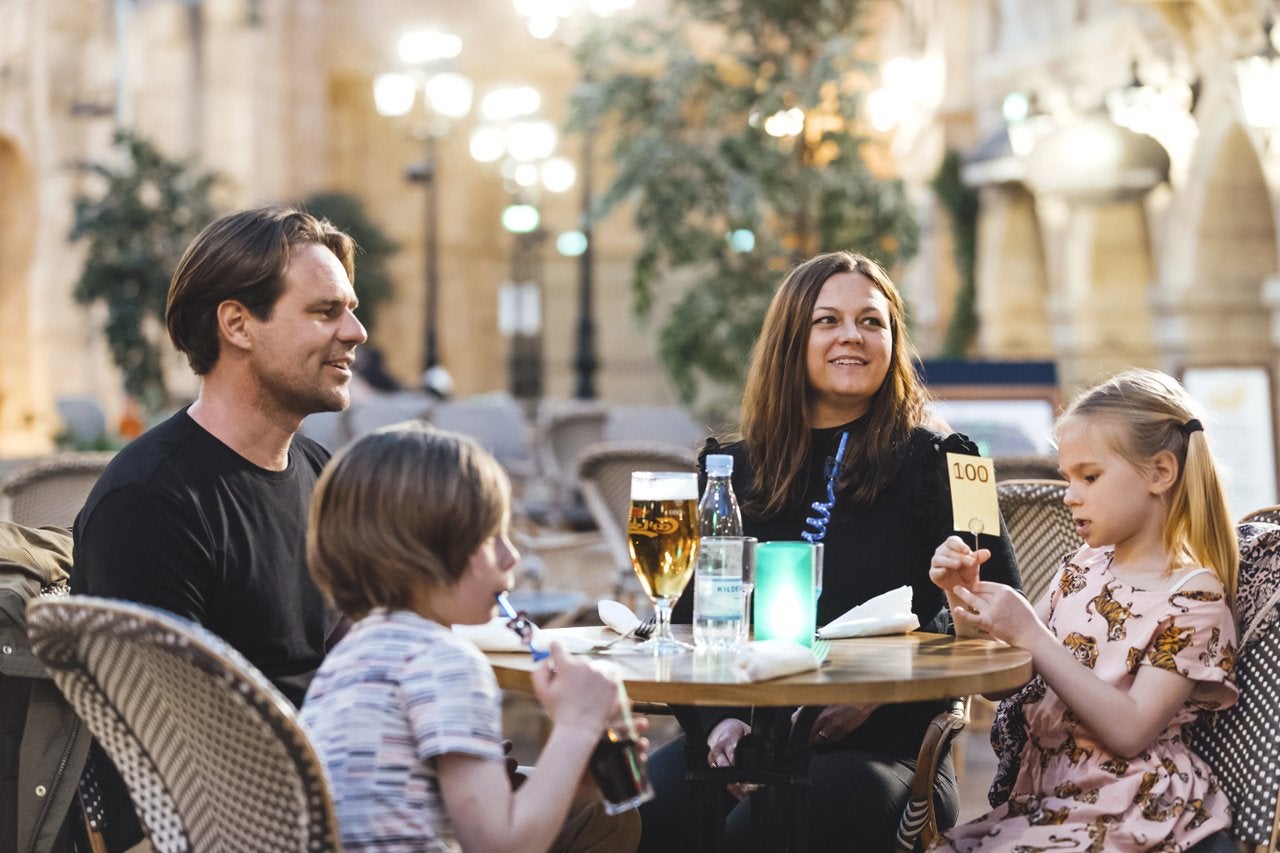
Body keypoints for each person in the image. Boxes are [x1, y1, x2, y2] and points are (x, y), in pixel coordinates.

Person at [640, 251, 1023, 851]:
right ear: (791, 338)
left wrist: (873, 692)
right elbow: (691, 620)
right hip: (749, 730)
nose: (853, 336)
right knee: (646, 806)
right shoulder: (729, 472)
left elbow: (1005, 624)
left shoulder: (952, 463)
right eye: (828, 321)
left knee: (766, 828)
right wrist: (722, 721)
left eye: (872, 322)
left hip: (891, 753)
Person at [72, 205, 367, 849]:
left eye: (349, 309)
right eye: (325, 312)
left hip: (333, 788)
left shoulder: (319, 471)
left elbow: (352, 645)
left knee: (607, 804)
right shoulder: (149, 502)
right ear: (237, 324)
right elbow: (185, 743)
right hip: (217, 824)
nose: (357, 331)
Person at [929, 368, 1239, 852]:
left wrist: (1032, 634)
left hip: (1133, 804)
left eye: (1089, 477)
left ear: (1160, 472)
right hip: (1047, 797)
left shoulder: (1192, 595)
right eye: (1067, 478)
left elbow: (1131, 730)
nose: (1071, 495)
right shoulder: (1080, 567)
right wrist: (965, 605)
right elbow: (1009, 683)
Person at [300, 423, 641, 853]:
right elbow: (502, 845)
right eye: (490, 538)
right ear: (424, 551)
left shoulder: (350, 657)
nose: (510, 556)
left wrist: (569, 766)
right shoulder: (447, 661)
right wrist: (577, 724)